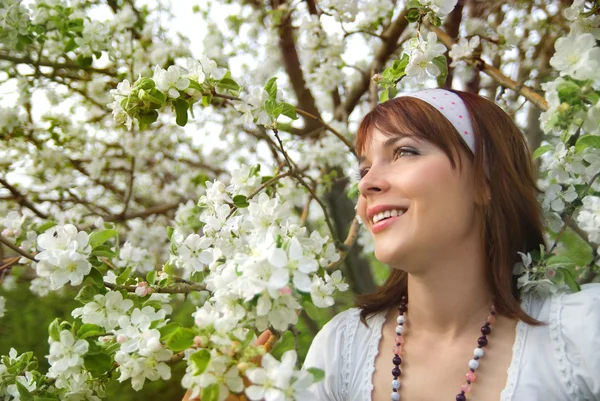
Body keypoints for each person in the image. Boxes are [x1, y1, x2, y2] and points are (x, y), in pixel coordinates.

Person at [184, 89, 600, 401]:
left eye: (403, 152)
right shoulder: (341, 349)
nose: (366, 184)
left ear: (484, 181)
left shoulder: (580, 335)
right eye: (364, 168)